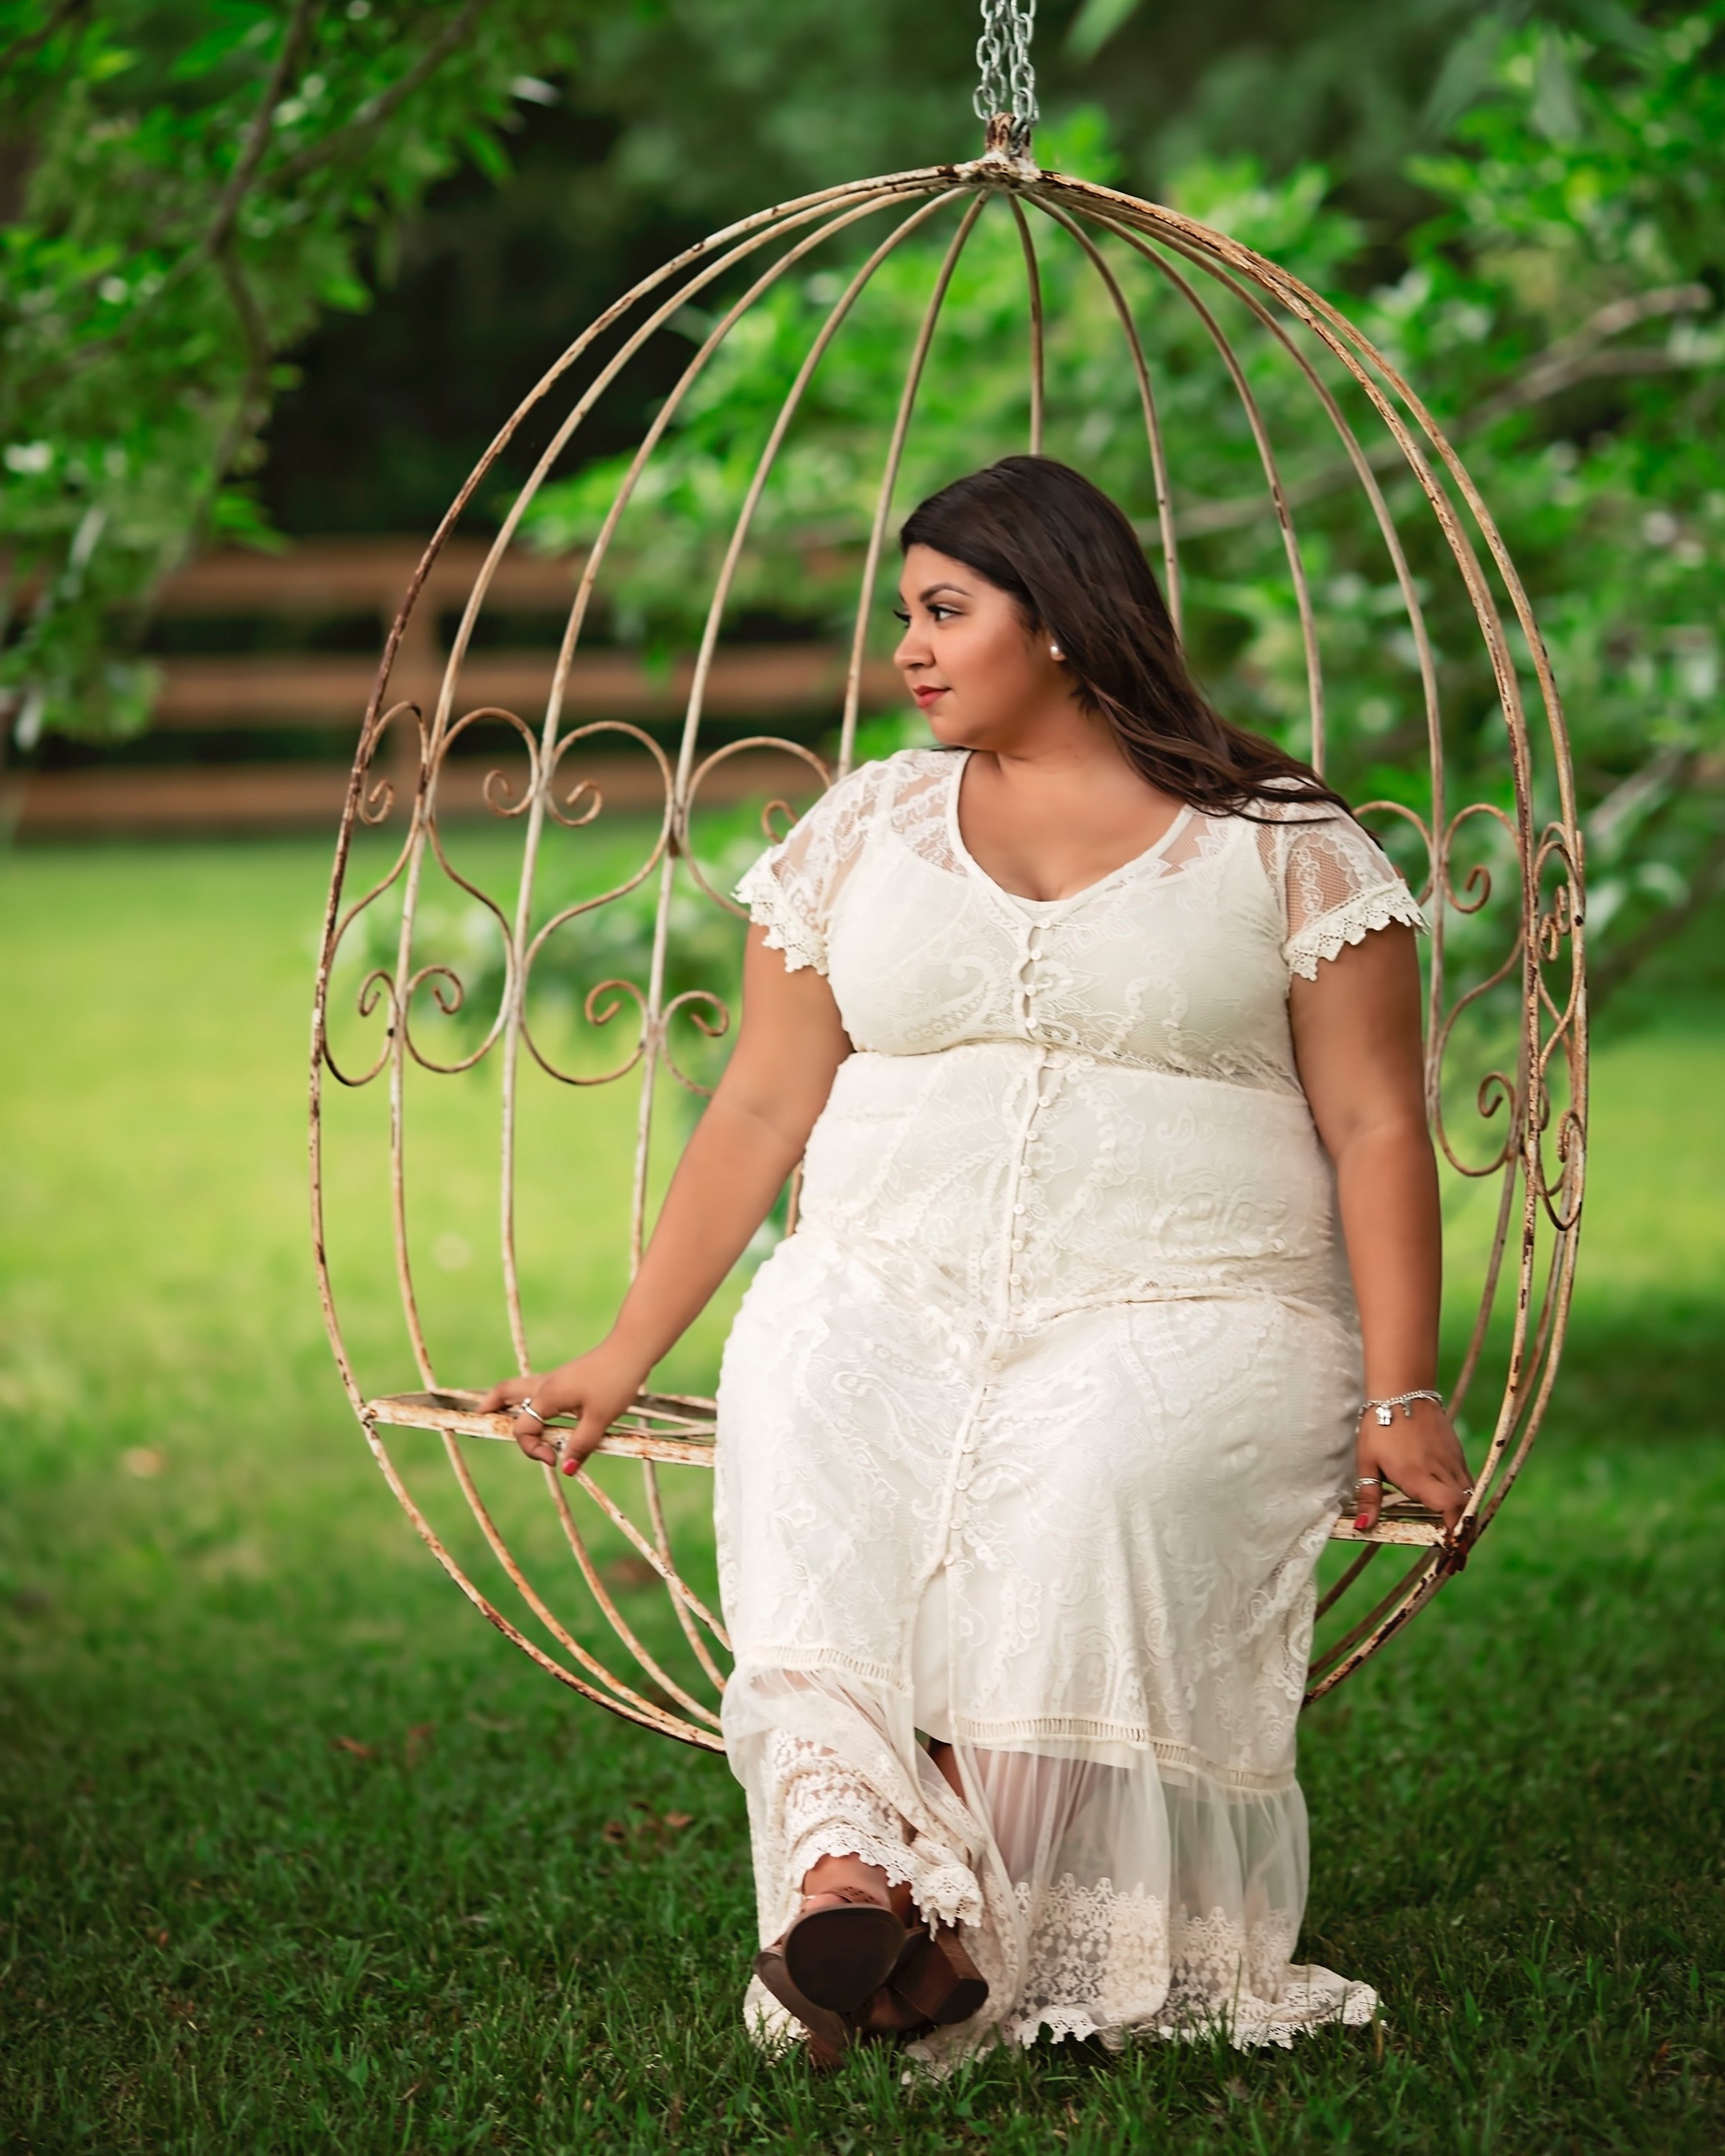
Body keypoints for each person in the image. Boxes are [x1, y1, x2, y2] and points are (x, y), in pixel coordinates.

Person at [482, 455, 1472, 2068]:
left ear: (1067, 619)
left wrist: (1400, 1389)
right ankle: (846, 1872)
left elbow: (1375, 1124)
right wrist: (621, 1352)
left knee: (1093, 1481)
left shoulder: (1278, 842)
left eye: (948, 611)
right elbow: (756, 1109)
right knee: (805, 1400)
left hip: (1196, 1308)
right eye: (905, 619)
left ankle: (935, 1923)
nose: (912, 652)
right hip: (890, 1285)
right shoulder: (865, 825)